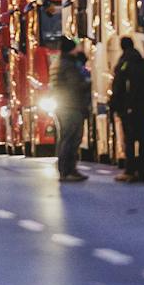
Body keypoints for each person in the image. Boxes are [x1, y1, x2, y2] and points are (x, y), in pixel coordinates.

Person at [110, 37, 144, 182]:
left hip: (129, 108)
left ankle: (130, 170)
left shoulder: (123, 65)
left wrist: (115, 106)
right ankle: (142, 170)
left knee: (129, 140)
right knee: (143, 138)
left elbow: (118, 87)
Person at [52, 42, 91, 182]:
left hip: (64, 106)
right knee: (71, 139)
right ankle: (67, 170)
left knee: (65, 138)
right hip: (71, 106)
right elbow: (76, 84)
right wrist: (87, 82)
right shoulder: (68, 66)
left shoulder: (59, 62)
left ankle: (67, 170)